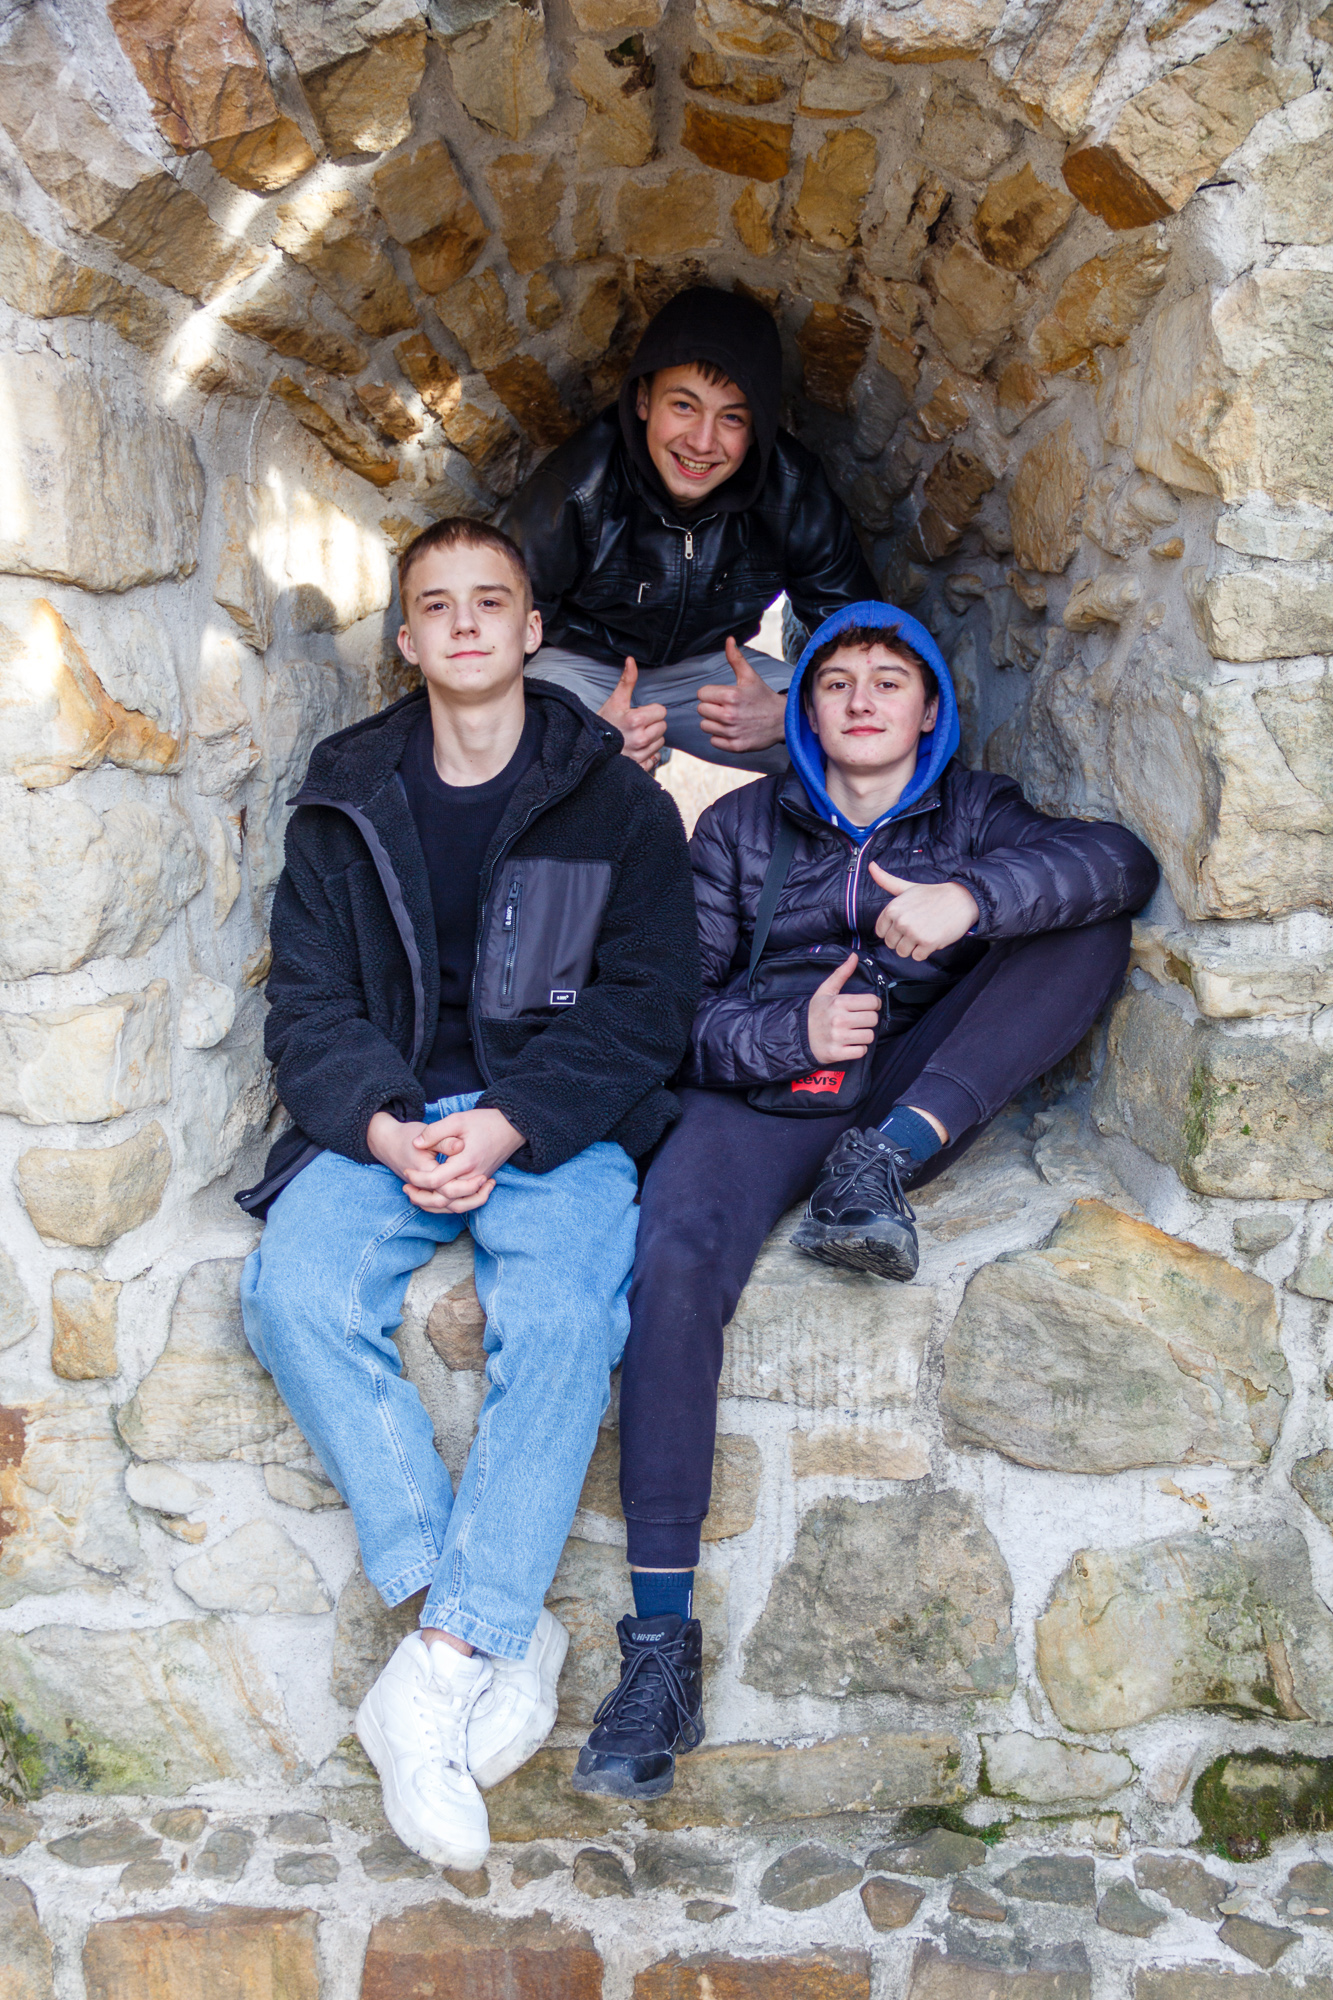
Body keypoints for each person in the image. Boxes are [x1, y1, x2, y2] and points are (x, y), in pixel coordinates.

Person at [571, 599, 1160, 1801]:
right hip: (768, 1087)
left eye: (889, 680)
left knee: (1087, 928)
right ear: (803, 709)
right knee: (672, 1256)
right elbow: (669, 1014)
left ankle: (878, 1164)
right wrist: (787, 1032)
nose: (860, 698)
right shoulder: (739, 826)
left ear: (929, 709)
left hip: (911, 1084)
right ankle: (660, 1648)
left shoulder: (976, 812)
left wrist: (968, 899)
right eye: (836, 680)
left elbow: (1120, 862)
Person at [236, 519, 699, 1868]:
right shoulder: (345, 791)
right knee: (292, 1292)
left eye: (490, 601)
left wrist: (510, 1119)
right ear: (407, 640)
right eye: (435, 605)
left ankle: (434, 1667)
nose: (466, 623)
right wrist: (386, 1127)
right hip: (386, 1120)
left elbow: (647, 1005)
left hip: (550, 1124)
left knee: (559, 1321)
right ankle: (491, 1616)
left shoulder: (611, 801)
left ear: (531, 628)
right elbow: (308, 1004)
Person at [500, 285, 878, 776]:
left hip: (711, 669)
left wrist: (794, 715)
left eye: (732, 418)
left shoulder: (791, 488)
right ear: (642, 400)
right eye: (683, 406)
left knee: (866, 743)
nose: (702, 442)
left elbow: (863, 637)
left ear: (758, 428)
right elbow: (492, 637)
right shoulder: (576, 487)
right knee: (524, 758)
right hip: (581, 667)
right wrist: (583, 743)